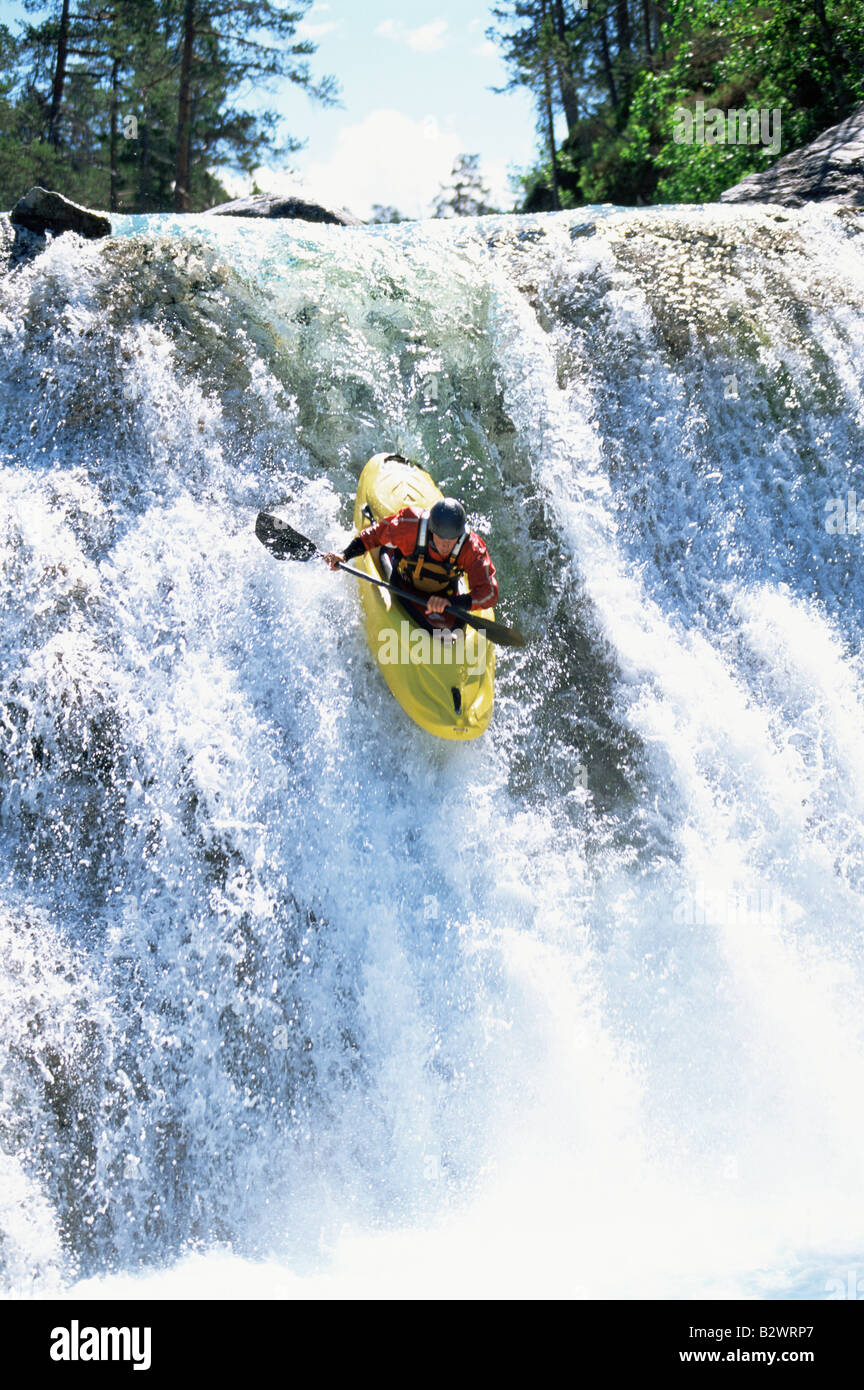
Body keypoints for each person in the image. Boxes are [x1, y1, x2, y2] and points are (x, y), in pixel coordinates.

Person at [323, 497, 498, 630]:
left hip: (445, 595)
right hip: (404, 583)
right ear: (431, 530)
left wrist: (452, 603)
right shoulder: (409, 526)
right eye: (441, 538)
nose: (446, 545)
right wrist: (344, 555)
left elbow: (489, 593)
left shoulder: (472, 548)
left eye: (452, 540)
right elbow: (374, 535)